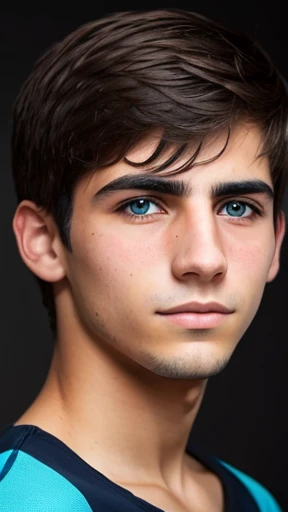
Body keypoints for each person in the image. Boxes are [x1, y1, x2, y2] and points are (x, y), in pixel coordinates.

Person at [0, 8, 287, 511]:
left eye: (238, 208)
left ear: (276, 242)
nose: (205, 258)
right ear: (45, 241)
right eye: (142, 205)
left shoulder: (256, 501)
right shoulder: (20, 500)